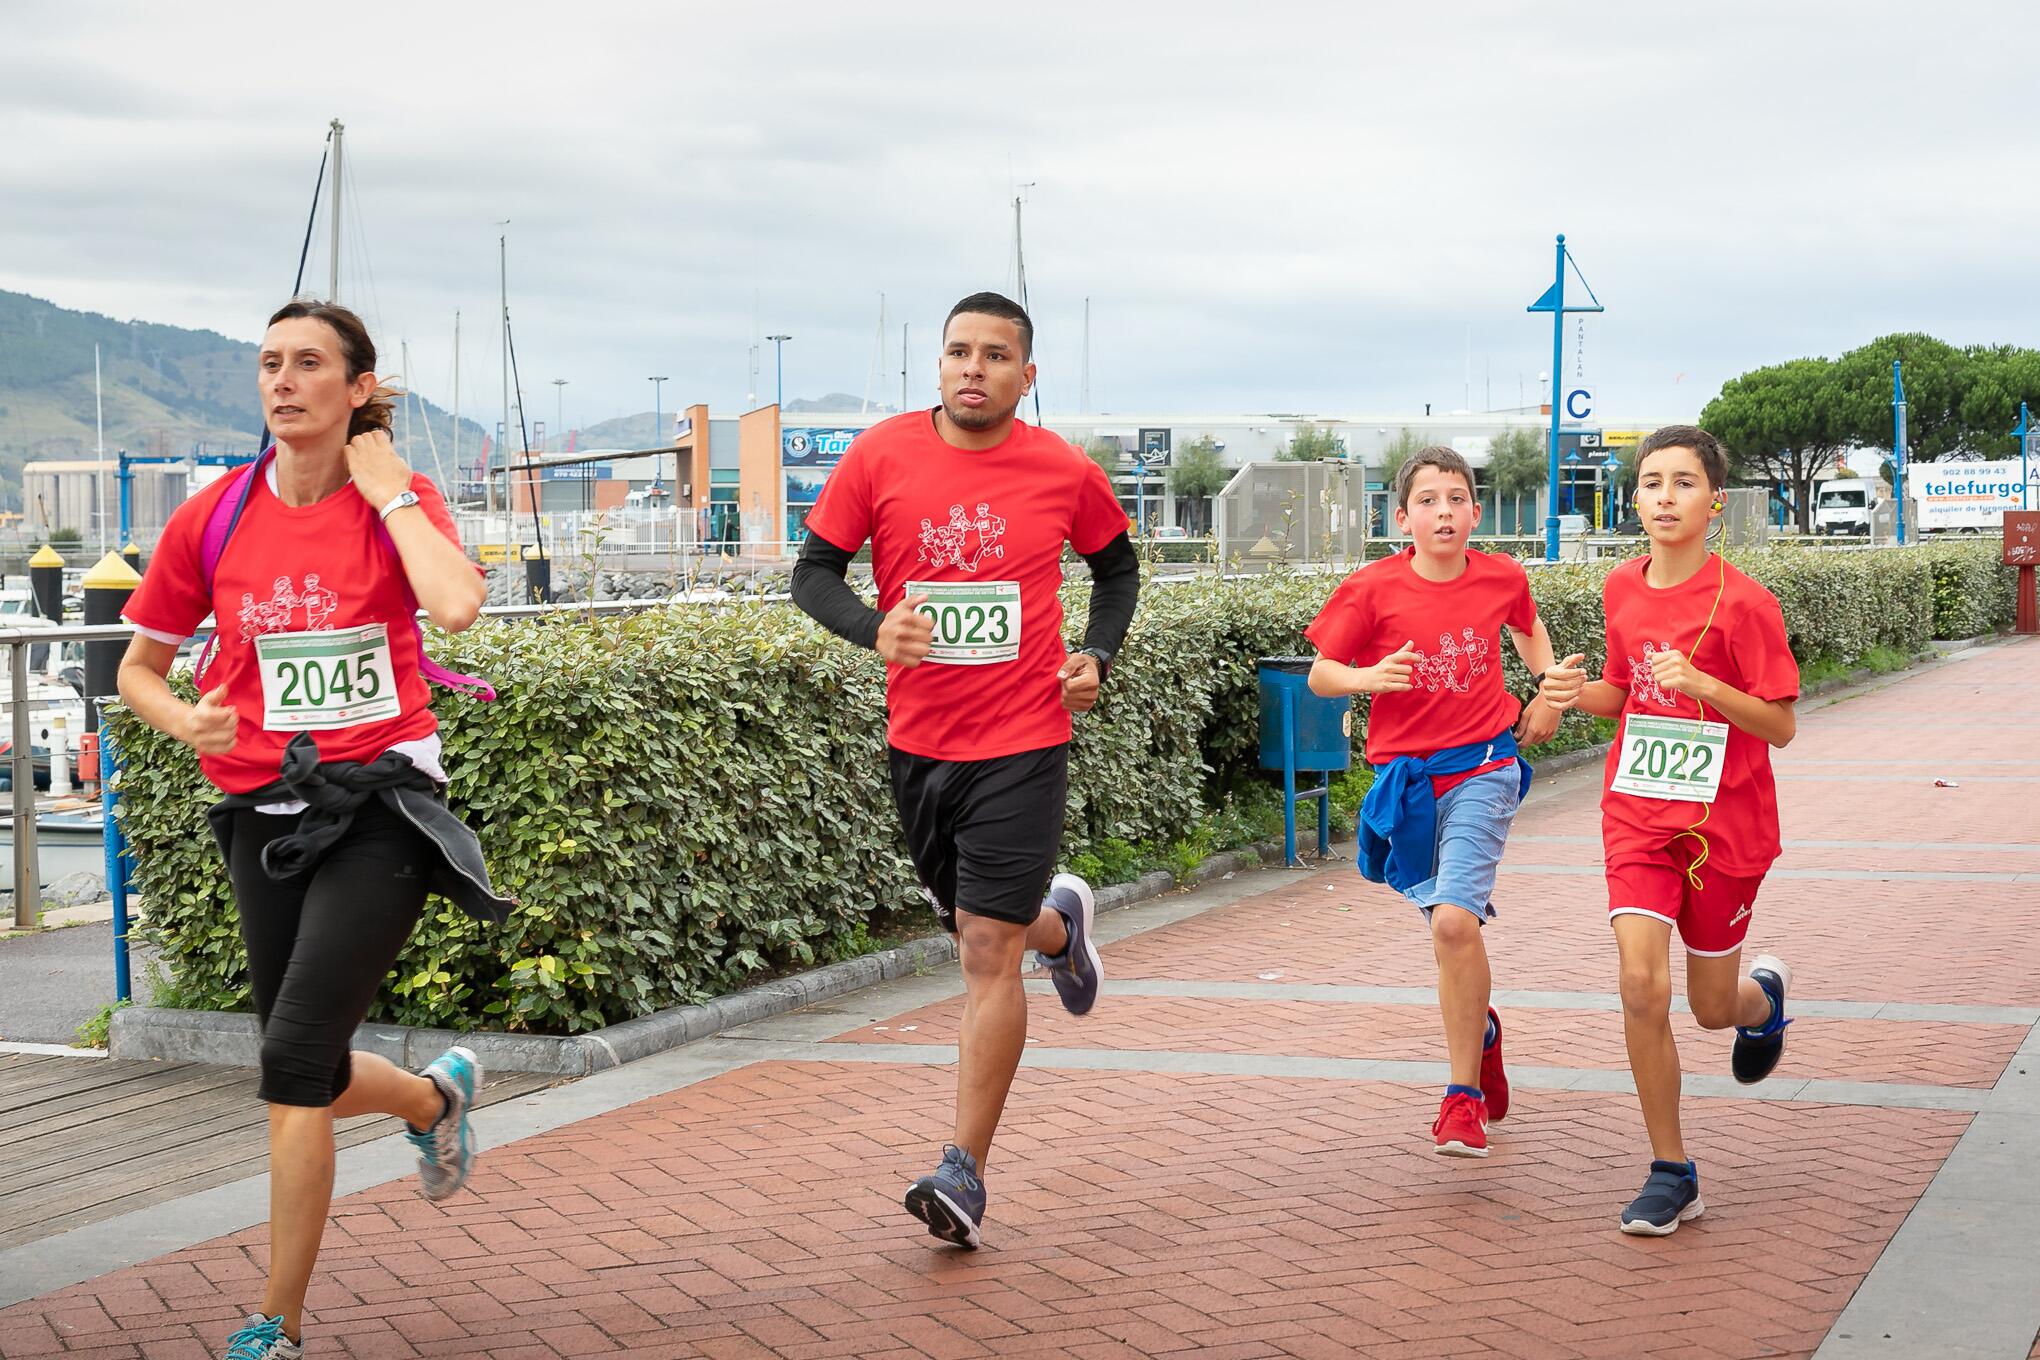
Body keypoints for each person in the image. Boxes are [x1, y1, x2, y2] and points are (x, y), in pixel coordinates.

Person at [118, 301, 508, 1358]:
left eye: (308, 365)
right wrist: (186, 716)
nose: (283, 382)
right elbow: (138, 669)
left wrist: (390, 499)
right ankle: (431, 1099)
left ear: (357, 389)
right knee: (313, 1066)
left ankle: (274, 1322)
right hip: (262, 809)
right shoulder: (214, 515)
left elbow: (458, 606)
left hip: (381, 805)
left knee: (292, 1058)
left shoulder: (401, 497)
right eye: (269, 365)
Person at [790, 291, 1140, 1249]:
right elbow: (812, 572)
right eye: (957, 352)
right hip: (921, 747)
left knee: (981, 950)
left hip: (1024, 742)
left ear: (1028, 377)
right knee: (989, 927)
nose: (972, 368)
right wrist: (875, 629)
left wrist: (1096, 656)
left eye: (995, 355)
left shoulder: (1063, 469)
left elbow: (1118, 572)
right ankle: (1060, 929)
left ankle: (964, 1172)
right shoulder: (881, 455)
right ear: (936, 367)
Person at [1538, 424, 1799, 1235]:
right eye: (1651, 482)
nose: (1663, 497)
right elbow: (1622, 694)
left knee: (1711, 1007)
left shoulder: (1747, 602)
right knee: (1641, 987)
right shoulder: (1621, 588)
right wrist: (1567, 693)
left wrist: (1705, 683)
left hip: (1727, 825)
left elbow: (1781, 725)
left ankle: (1765, 1003)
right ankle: (1671, 1170)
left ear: (1713, 502)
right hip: (1638, 816)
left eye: (1682, 483)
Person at [1305, 446, 1564, 1157]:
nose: (1444, 512)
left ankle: (1461, 1101)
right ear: (1403, 516)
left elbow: (1526, 625)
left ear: (1475, 512)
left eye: (1456, 498)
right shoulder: (1371, 589)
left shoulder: (1502, 575)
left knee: (1454, 924)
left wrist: (1547, 680)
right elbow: (1322, 674)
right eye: (1428, 500)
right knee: (1452, 933)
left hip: (1485, 765)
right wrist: (1367, 678)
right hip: (1408, 785)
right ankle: (1481, 1035)